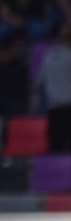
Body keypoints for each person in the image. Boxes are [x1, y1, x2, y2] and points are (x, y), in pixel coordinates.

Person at [35, 23, 71, 152]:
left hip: (54, 109)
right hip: (63, 109)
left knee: (55, 149)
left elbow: (39, 82)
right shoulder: (50, 57)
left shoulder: (48, 57)